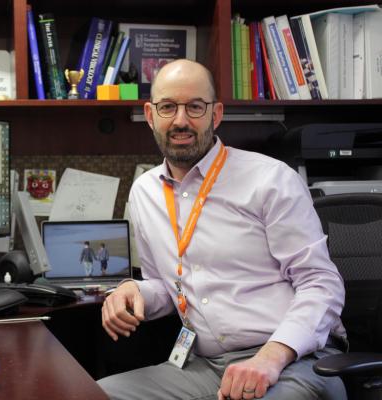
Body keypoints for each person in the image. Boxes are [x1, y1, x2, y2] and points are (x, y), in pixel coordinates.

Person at [98, 59, 347, 400]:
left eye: (195, 107)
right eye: (168, 107)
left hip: (295, 359)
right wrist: (134, 292)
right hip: (206, 367)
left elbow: (321, 284)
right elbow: (167, 286)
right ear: (151, 114)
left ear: (215, 115)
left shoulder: (271, 180)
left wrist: (270, 357)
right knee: (90, 393)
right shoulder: (144, 192)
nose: (181, 120)